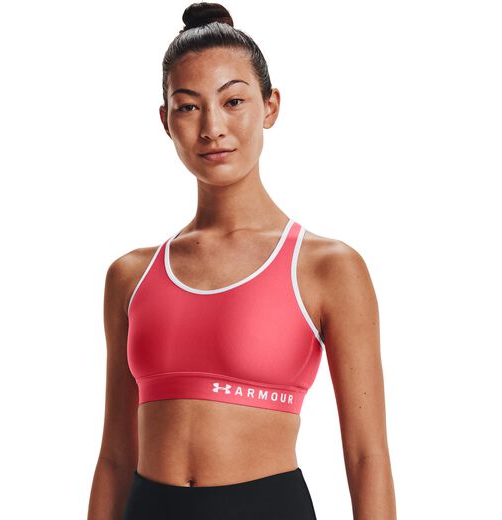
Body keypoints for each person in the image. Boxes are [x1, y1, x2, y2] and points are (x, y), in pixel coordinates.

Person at [87, 2, 396, 519]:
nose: (212, 127)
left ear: (270, 107)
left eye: (233, 101)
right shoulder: (130, 276)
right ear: (165, 121)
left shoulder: (326, 267)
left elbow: (367, 458)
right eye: (188, 107)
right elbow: (115, 459)